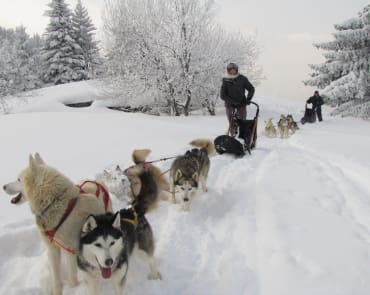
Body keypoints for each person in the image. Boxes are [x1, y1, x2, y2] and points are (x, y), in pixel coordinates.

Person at [220, 62, 255, 135]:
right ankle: (232, 137)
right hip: (229, 104)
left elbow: (251, 89)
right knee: (231, 122)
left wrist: (248, 99)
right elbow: (223, 95)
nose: (232, 71)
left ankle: (242, 138)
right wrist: (231, 101)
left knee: (242, 122)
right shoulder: (225, 80)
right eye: (231, 70)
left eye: (234, 69)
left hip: (241, 103)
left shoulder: (242, 79)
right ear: (228, 71)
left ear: (236, 70)